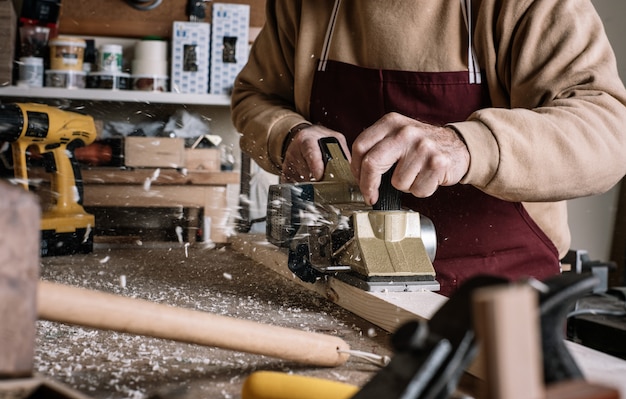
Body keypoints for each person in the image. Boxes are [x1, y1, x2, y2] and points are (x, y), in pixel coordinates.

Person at [231, 0, 626, 296]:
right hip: (337, 287)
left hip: (495, 298)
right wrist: (287, 134)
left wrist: (470, 146)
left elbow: (610, 133)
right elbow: (253, 96)